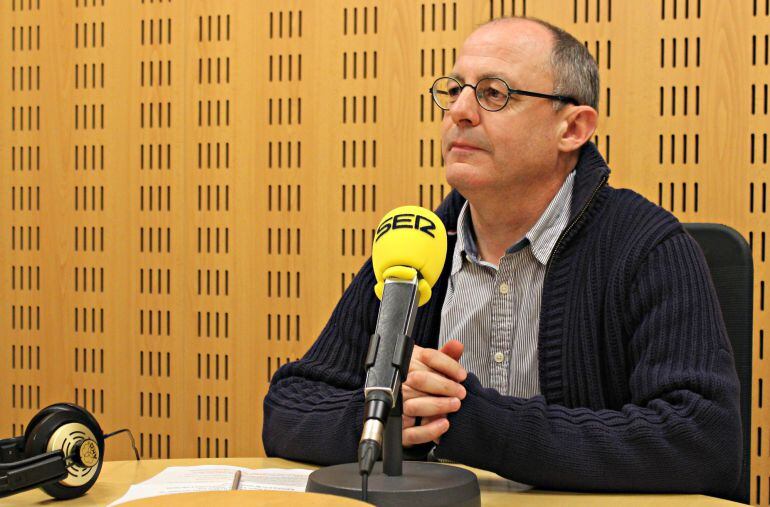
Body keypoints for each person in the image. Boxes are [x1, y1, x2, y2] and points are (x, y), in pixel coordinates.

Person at [262, 16, 742, 498]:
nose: (460, 113)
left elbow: (703, 442)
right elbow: (287, 407)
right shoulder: (418, 247)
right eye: (455, 90)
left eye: (494, 94)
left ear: (572, 127)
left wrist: (471, 421)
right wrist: (390, 414)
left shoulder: (645, 247)